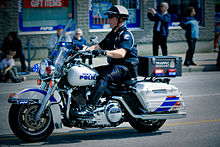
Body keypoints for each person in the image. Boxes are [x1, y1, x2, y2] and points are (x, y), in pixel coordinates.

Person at [72, 5, 139, 117]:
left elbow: (121, 53)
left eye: (111, 17)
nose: (108, 19)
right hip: (114, 67)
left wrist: (105, 52)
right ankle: (89, 102)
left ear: (120, 19)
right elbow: (97, 46)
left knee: (104, 77)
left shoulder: (126, 35)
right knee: (89, 74)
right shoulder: (112, 34)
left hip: (125, 69)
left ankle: (90, 108)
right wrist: (81, 51)